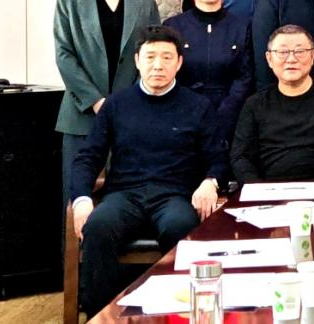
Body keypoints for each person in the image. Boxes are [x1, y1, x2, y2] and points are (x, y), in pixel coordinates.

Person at [70, 25, 227, 315]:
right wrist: (81, 199)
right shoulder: (116, 104)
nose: (158, 65)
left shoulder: (198, 106)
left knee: (182, 227)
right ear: (137, 60)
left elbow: (218, 157)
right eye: (150, 56)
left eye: (167, 57)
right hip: (124, 196)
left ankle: (177, 314)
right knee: (98, 227)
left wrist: (210, 181)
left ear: (179, 63)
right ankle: (102, 316)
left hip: (173, 196)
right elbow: (88, 157)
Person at [54, 0, 161, 213]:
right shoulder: (68, 0)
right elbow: (64, 56)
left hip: (132, 114)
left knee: (126, 200)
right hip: (81, 116)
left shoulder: (144, 0)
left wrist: (130, 101)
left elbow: (153, 52)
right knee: (77, 200)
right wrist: (96, 101)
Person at [232, 24, 314, 182]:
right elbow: (240, 157)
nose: (291, 59)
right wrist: (258, 189)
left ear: (312, 56)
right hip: (268, 190)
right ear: (269, 59)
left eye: (300, 51)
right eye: (282, 52)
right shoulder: (255, 104)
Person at [164, 0, 254, 150]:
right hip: (182, 115)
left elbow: (245, 76)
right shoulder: (173, 26)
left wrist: (226, 112)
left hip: (230, 117)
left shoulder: (242, 27)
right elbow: (168, 73)